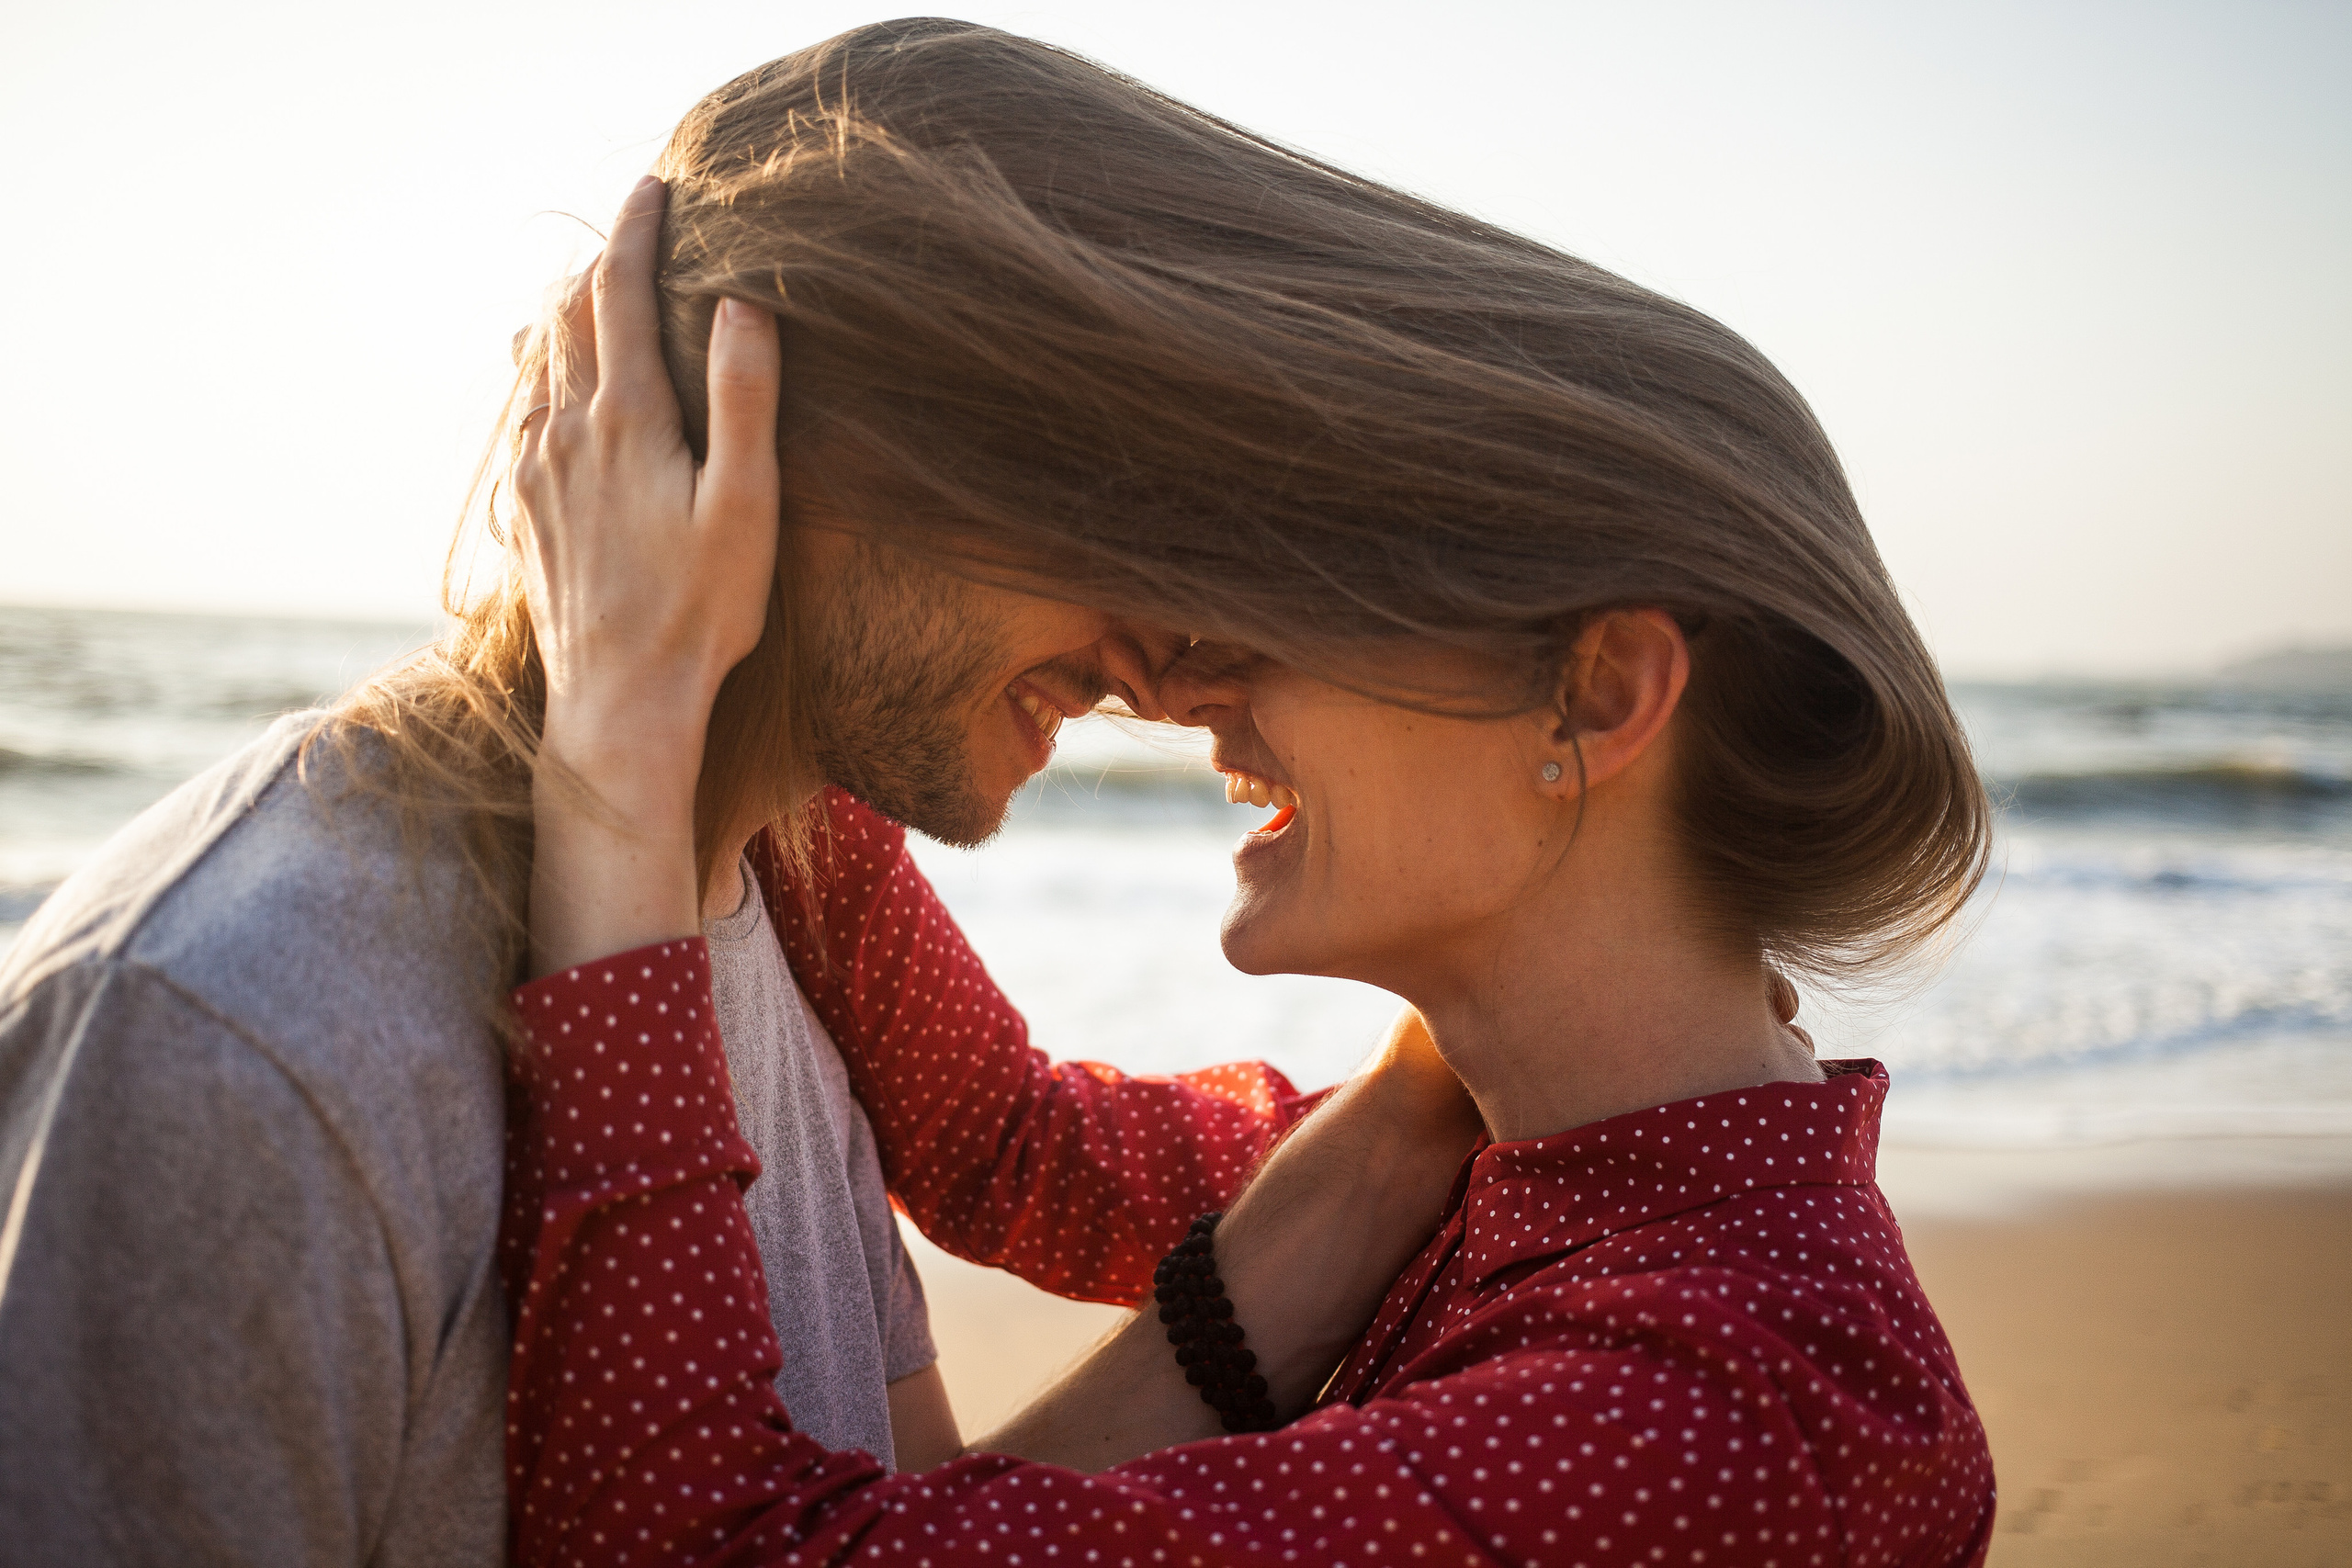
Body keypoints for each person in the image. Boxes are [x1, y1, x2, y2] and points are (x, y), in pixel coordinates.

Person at [496, 17, 2001, 1568]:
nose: (1183, 680)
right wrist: (784, 625)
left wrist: (617, 775)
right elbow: (1006, 1146)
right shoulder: (1501, 1167)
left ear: (1602, 694)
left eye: (1292, 591)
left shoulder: (1724, 1428)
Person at [0, 31, 1471, 1566]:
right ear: (798, 432)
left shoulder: (781, 884)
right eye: (1102, 505)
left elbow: (884, 1523)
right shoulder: (234, 1051)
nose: (1163, 667)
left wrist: (1444, 1120)